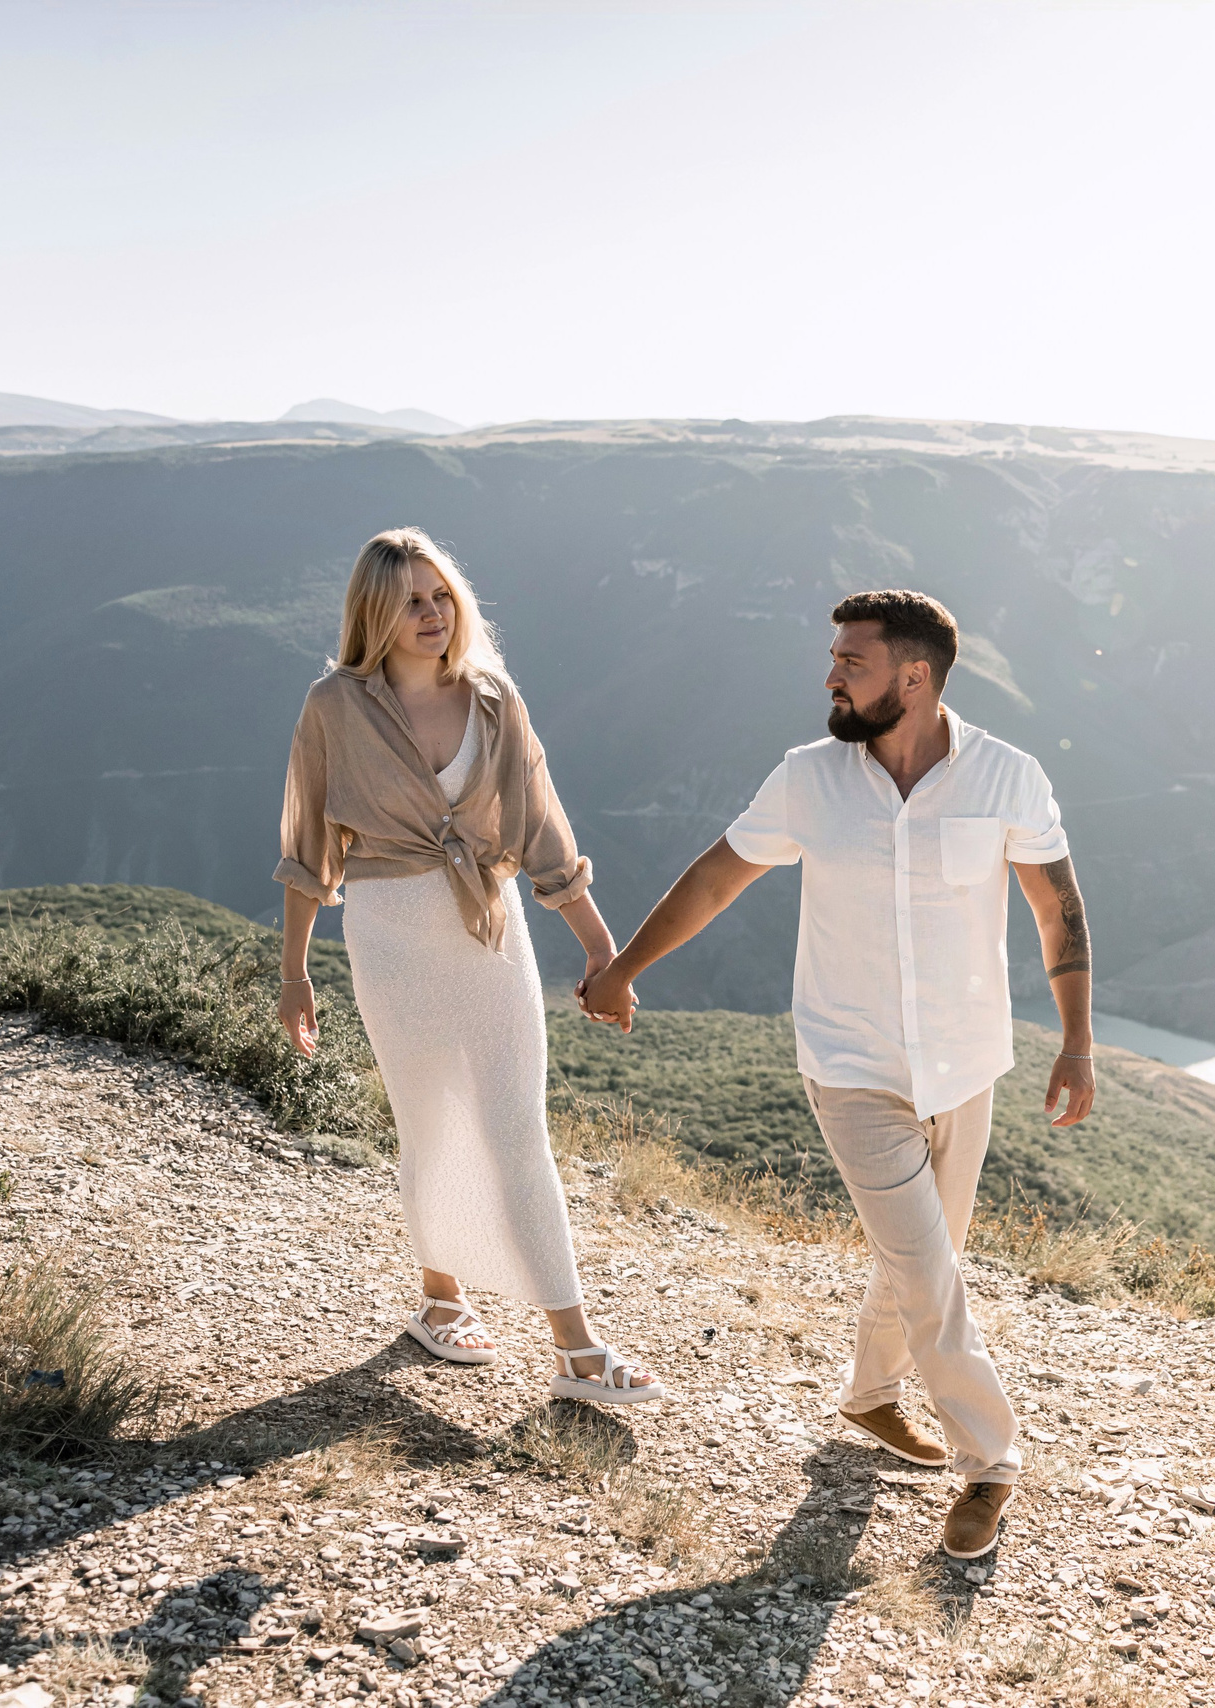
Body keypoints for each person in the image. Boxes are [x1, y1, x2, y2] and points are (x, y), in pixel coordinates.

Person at [582, 589, 1095, 1560]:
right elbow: (715, 876)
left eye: (849, 662)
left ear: (913, 677)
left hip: (967, 1063)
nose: (828, 676)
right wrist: (621, 969)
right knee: (929, 1270)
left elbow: (1057, 910)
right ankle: (990, 1461)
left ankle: (868, 1395)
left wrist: (1075, 1041)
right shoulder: (808, 779)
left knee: (922, 1251)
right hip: (851, 1066)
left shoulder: (1007, 778)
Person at [272, 526, 665, 1406]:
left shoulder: (493, 698)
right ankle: (439, 1297)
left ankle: (573, 1348)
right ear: (373, 613)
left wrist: (603, 949)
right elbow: (307, 851)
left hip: (490, 928)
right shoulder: (333, 705)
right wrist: (295, 975)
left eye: (440, 595)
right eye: (410, 600)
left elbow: (544, 829)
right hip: (390, 930)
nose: (431, 614)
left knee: (516, 1129)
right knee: (429, 1124)